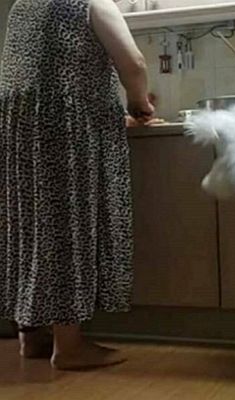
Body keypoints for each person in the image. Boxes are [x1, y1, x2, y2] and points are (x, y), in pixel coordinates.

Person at [0, 0, 154, 370]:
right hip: (66, 127)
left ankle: (32, 338)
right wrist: (139, 106)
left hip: (17, 129)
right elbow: (133, 63)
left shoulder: (23, 6)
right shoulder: (91, 2)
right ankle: (68, 347)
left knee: (29, 226)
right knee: (67, 228)